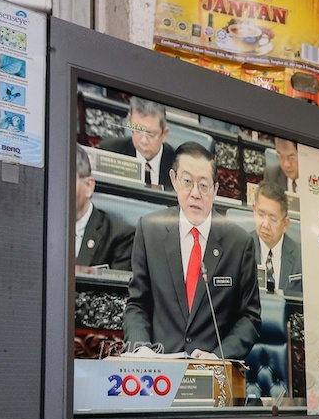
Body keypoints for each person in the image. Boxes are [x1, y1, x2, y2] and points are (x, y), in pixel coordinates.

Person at [123, 142, 260, 360]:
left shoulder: (239, 243)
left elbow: (249, 317)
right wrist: (141, 349)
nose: (195, 194)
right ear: (174, 180)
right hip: (160, 373)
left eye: (204, 185)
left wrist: (218, 357)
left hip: (214, 375)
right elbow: (138, 304)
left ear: (215, 190)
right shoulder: (150, 230)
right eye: (187, 182)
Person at [73, 144, 134, 271]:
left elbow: (116, 291)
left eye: (66, 180)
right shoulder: (39, 227)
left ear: (88, 186)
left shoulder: (119, 236)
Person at [99, 97, 175, 188]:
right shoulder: (110, 151)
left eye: (150, 134)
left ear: (164, 134)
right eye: (137, 130)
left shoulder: (176, 164)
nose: (143, 141)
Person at [251, 180, 302, 294]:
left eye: (273, 219)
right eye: (260, 214)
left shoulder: (301, 257)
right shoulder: (240, 249)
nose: (265, 225)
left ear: (285, 224)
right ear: (254, 210)